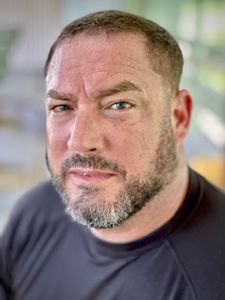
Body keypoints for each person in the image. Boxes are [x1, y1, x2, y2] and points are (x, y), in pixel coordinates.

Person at [0, 10, 225, 300]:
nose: (80, 141)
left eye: (119, 105)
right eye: (62, 107)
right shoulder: (35, 212)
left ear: (179, 117)